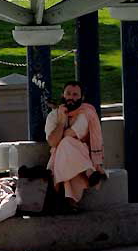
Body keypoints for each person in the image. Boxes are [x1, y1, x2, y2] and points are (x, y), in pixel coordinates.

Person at [45, 81, 106, 211]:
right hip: (75, 163)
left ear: (81, 98)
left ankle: (62, 195)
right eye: (68, 94)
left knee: (65, 143)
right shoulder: (53, 116)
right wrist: (61, 122)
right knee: (63, 147)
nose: (71, 97)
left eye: (75, 94)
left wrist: (59, 135)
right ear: (63, 95)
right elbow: (52, 142)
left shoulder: (86, 113)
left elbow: (70, 134)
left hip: (82, 154)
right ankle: (88, 174)